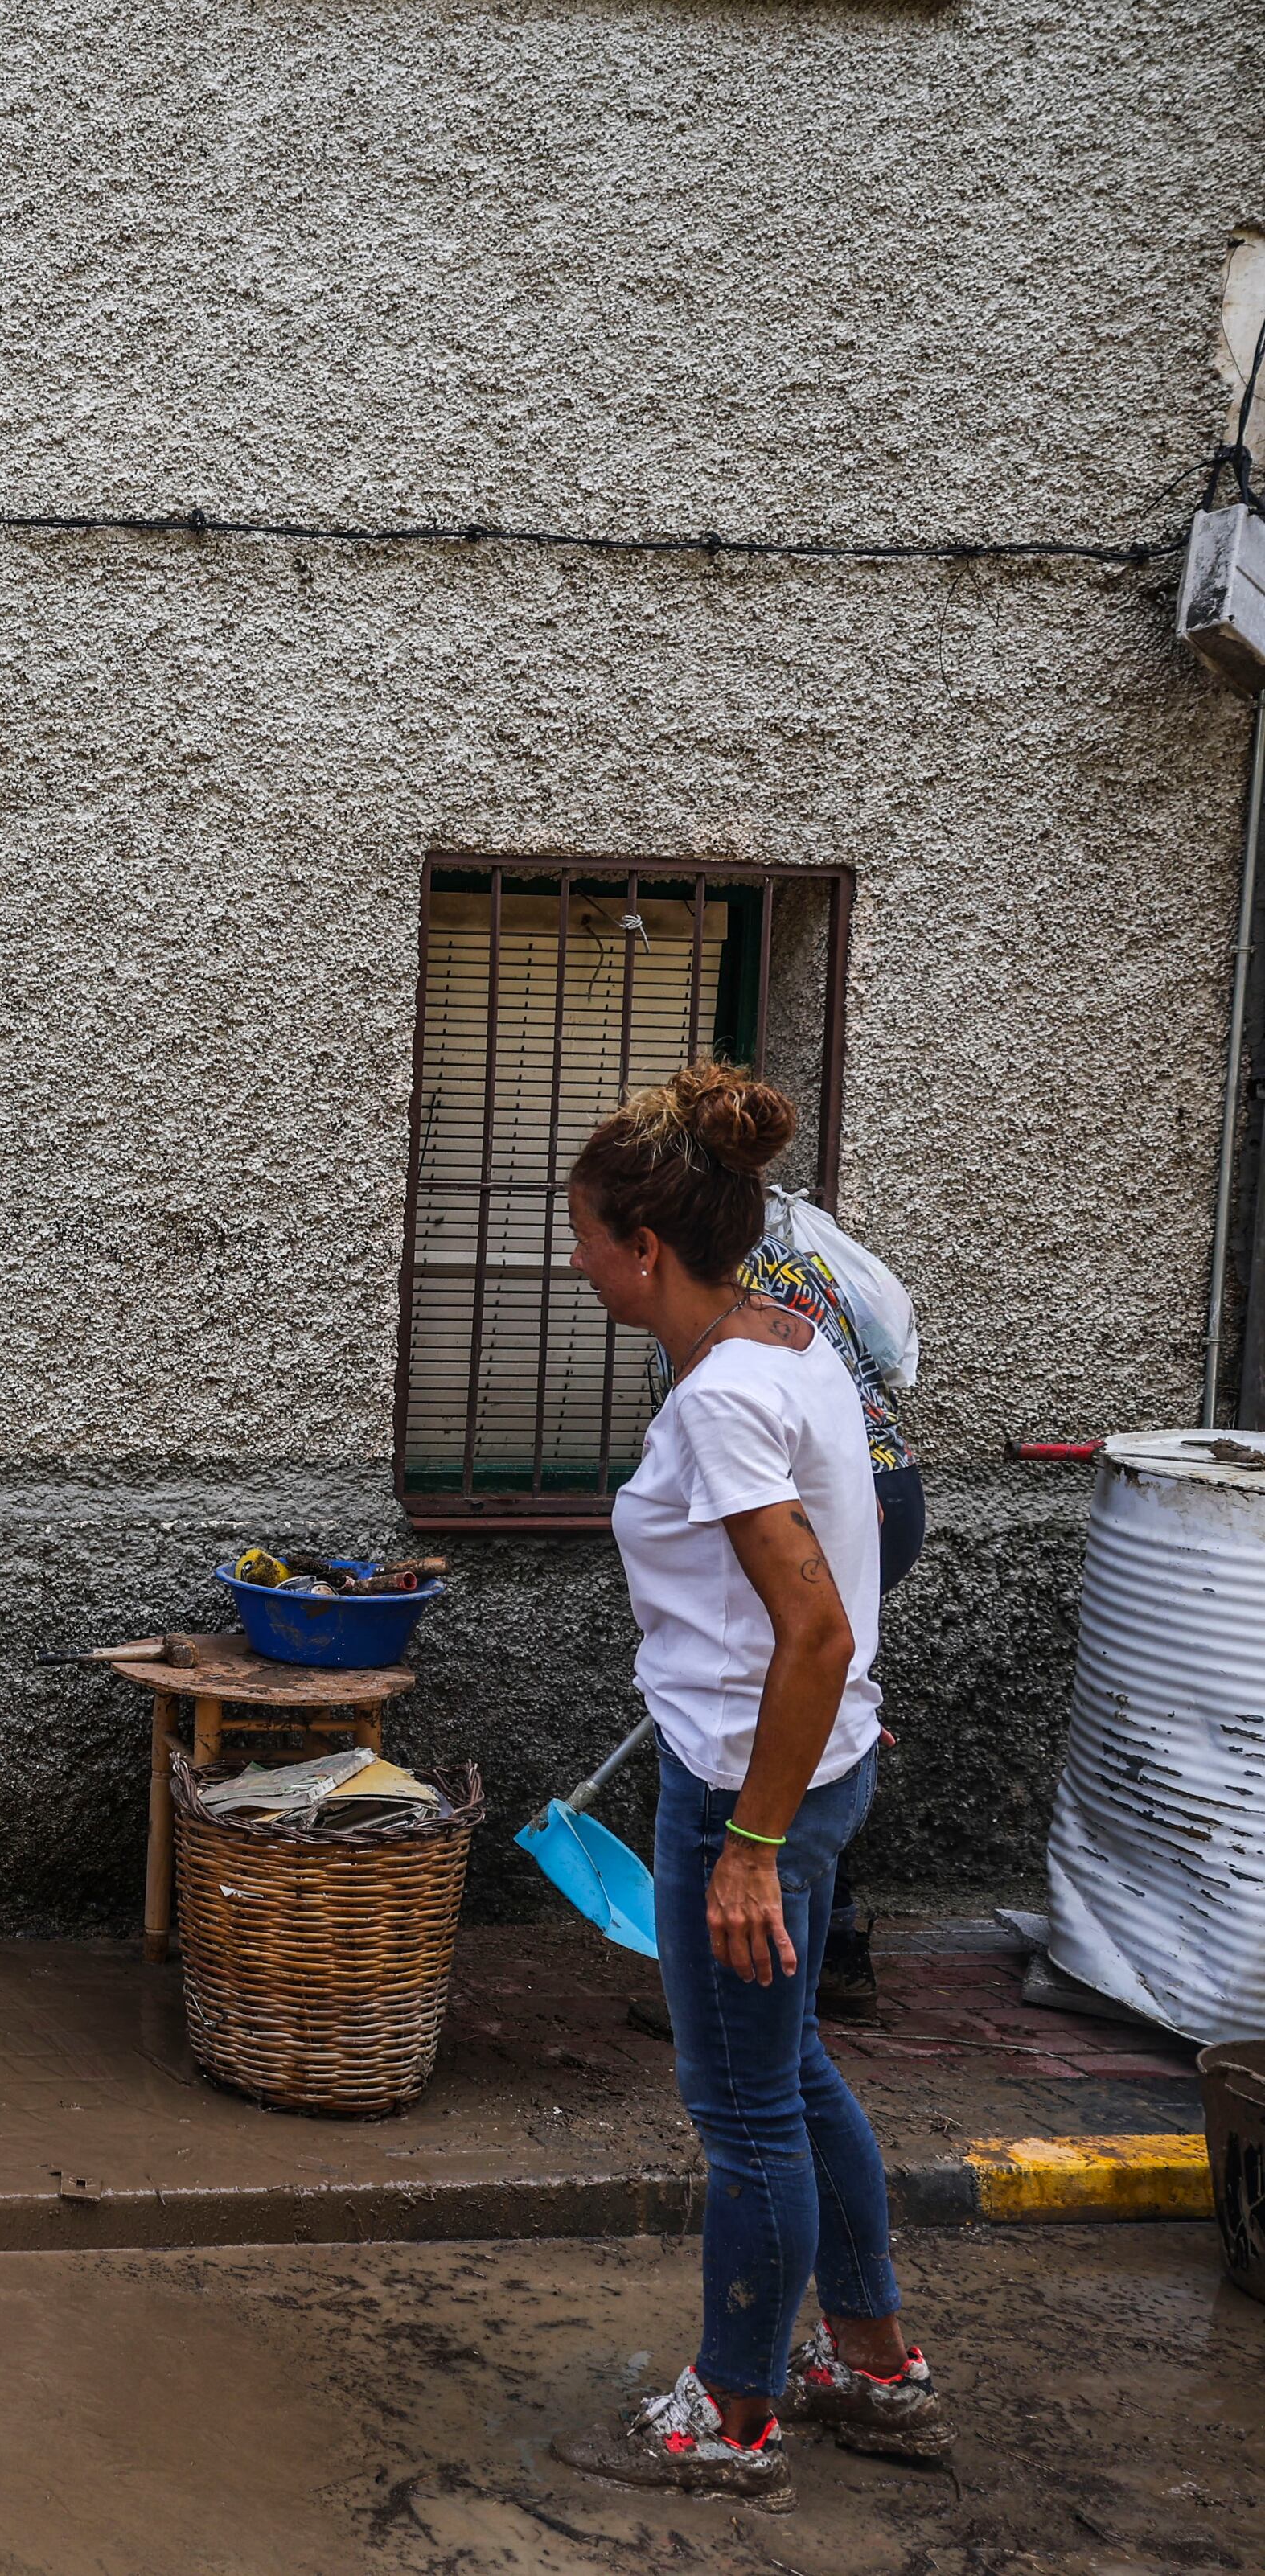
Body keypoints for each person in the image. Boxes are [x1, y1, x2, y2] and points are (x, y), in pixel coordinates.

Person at [552, 1062, 947, 2499]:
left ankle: (736, 2408)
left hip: (745, 1791)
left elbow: (818, 1624)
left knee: (744, 2111)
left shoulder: (730, 1395)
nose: (574, 1255)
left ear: (644, 1248)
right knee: (789, 2068)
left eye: (586, 1231)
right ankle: (874, 2356)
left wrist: (748, 1844)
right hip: (809, 1760)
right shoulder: (788, 1348)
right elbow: (839, 1575)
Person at [734, 1198, 925, 2019]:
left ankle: (770, 1965)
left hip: (844, 1497)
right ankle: (825, 1950)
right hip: (876, 1488)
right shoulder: (784, 1262)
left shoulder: (724, 1285)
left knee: (795, 1706)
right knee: (817, 1705)